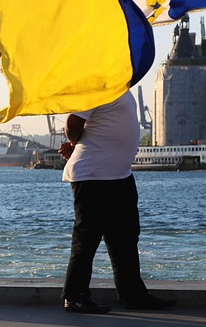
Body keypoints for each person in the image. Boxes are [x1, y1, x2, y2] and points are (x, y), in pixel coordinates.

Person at [58, 90, 176, 314]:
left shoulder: (120, 87)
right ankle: (74, 296)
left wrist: (77, 143)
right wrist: (75, 142)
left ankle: (134, 295)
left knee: (126, 237)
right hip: (94, 175)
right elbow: (73, 123)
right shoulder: (97, 85)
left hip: (120, 174)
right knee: (87, 237)